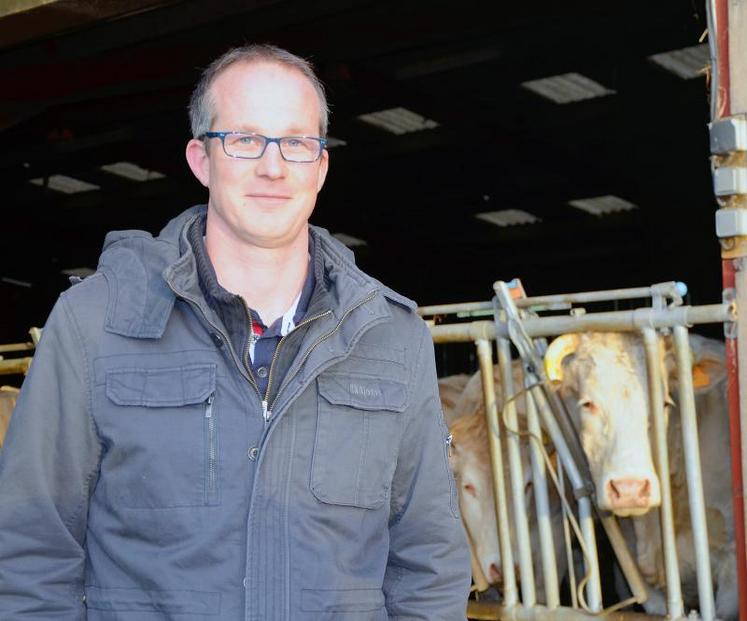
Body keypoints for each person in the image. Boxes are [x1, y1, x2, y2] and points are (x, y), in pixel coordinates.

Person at [0, 44, 471, 620]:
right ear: (201, 159)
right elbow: (28, 553)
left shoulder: (390, 337)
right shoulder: (96, 324)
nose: (272, 167)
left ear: (321, 166)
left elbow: (429, 560)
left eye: (297, 143)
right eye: (244, 140)